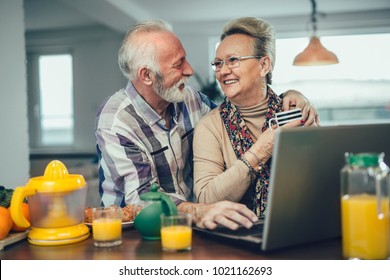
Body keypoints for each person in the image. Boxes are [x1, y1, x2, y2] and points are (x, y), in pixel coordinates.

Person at [95, 19, 318, 230]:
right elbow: (142, 200)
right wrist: (200, 211)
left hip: (193, 226)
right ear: (147, 75)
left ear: (264, 64)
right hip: (135, 231)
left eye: (233, 60)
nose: (190, 70)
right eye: (178, 64)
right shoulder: (116, 121)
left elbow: (234, 112)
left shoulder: (191, 100)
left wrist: (291, 95)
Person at [193, 17, 318, 222]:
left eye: (233, 60)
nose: (223, 71)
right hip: (237, 239)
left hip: (301, 227)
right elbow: (206, 199)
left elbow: (321, 180)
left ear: (264, 65)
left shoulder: (297, 112)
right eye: (218, 63)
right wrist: (261, 150)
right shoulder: (209, 127)